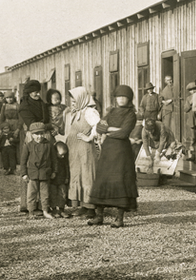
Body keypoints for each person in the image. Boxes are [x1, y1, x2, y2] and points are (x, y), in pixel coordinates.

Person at [89, 85, 138, 228]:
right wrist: (112, 129)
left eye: (124, 97)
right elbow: (99, 127)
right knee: (102, 180)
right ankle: (99, 216)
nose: (121, 99)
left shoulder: (131, 114)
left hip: (122, 153)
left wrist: (108, 130)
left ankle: (119, 218)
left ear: (129, 99)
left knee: (120, 181)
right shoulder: (110, 112)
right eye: (119, 97)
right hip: (107, 151)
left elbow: (124, 133)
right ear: (115, 98)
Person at [64, 87, 100, 218]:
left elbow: (99, 126)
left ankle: (90, 208)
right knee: (76, 175)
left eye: (75, 100)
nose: (72, 103)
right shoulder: (74, 112)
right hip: (74, 149)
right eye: (72, 101)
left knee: (87, 175)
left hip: (85, 149)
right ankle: (81, 205)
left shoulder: (90, 112)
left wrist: (89, 137)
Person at [20, 122, 56, 219]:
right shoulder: (28, 146)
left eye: (41, 134)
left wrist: (54, 171)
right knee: (31, 194)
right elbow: (23, 161)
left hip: (45, 173)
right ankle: (31, 211)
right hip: (32, 174)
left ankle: (45, 211)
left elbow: (54, 159)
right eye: (36, 134)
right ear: (32, 134)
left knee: (45, 194)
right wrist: (23, 173)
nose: (39, 136)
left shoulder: (48, 145)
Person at [52, 141, 71, 218]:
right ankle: (53, 209)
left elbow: (66, 168)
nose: (63, 156)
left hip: (62, 180)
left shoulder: (64, 160)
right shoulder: (52, 160)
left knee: (62, 194)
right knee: (53, 194)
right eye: (61, 154)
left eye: (64, 154)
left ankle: (61, 209)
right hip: (53, 180)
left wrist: (67, 177)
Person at [183, 82, 196, 161]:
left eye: (195, 89)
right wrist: (190, 104)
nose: (193, 91)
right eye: (191, 90)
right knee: (192, 137)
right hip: (192, 120)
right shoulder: (188, 98)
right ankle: (191, 155)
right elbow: (185, 109)